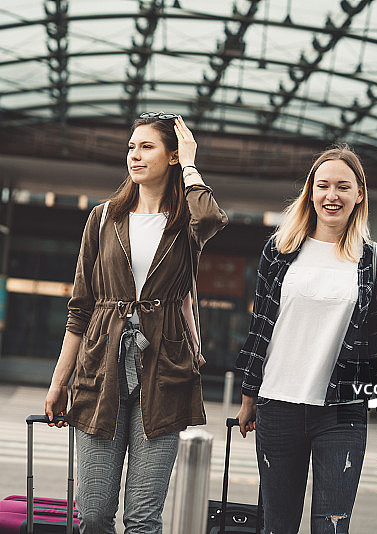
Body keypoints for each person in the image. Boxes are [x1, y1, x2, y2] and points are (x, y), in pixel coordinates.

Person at [44, 112, 227, 533]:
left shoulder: (186, 222)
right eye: (131, 147)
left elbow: (213, 219)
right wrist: (59, 381)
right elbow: (81, 306)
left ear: (173, 156)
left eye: (147, 147)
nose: (135, 155)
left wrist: (193, 164)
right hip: (99, 370)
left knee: (143, 519)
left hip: (165, 373)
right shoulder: (104, 216)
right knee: (92, 515)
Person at [235, 144, 377, 534]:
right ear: (310, 192)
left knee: (331, 527)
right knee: (277, 525)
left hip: (343, 410)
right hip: (278, 404)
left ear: (359, 193)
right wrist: (248, 395)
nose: (332, 195)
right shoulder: (278, 251)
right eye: (323, 185)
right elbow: (260, 328)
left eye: (343, 186)